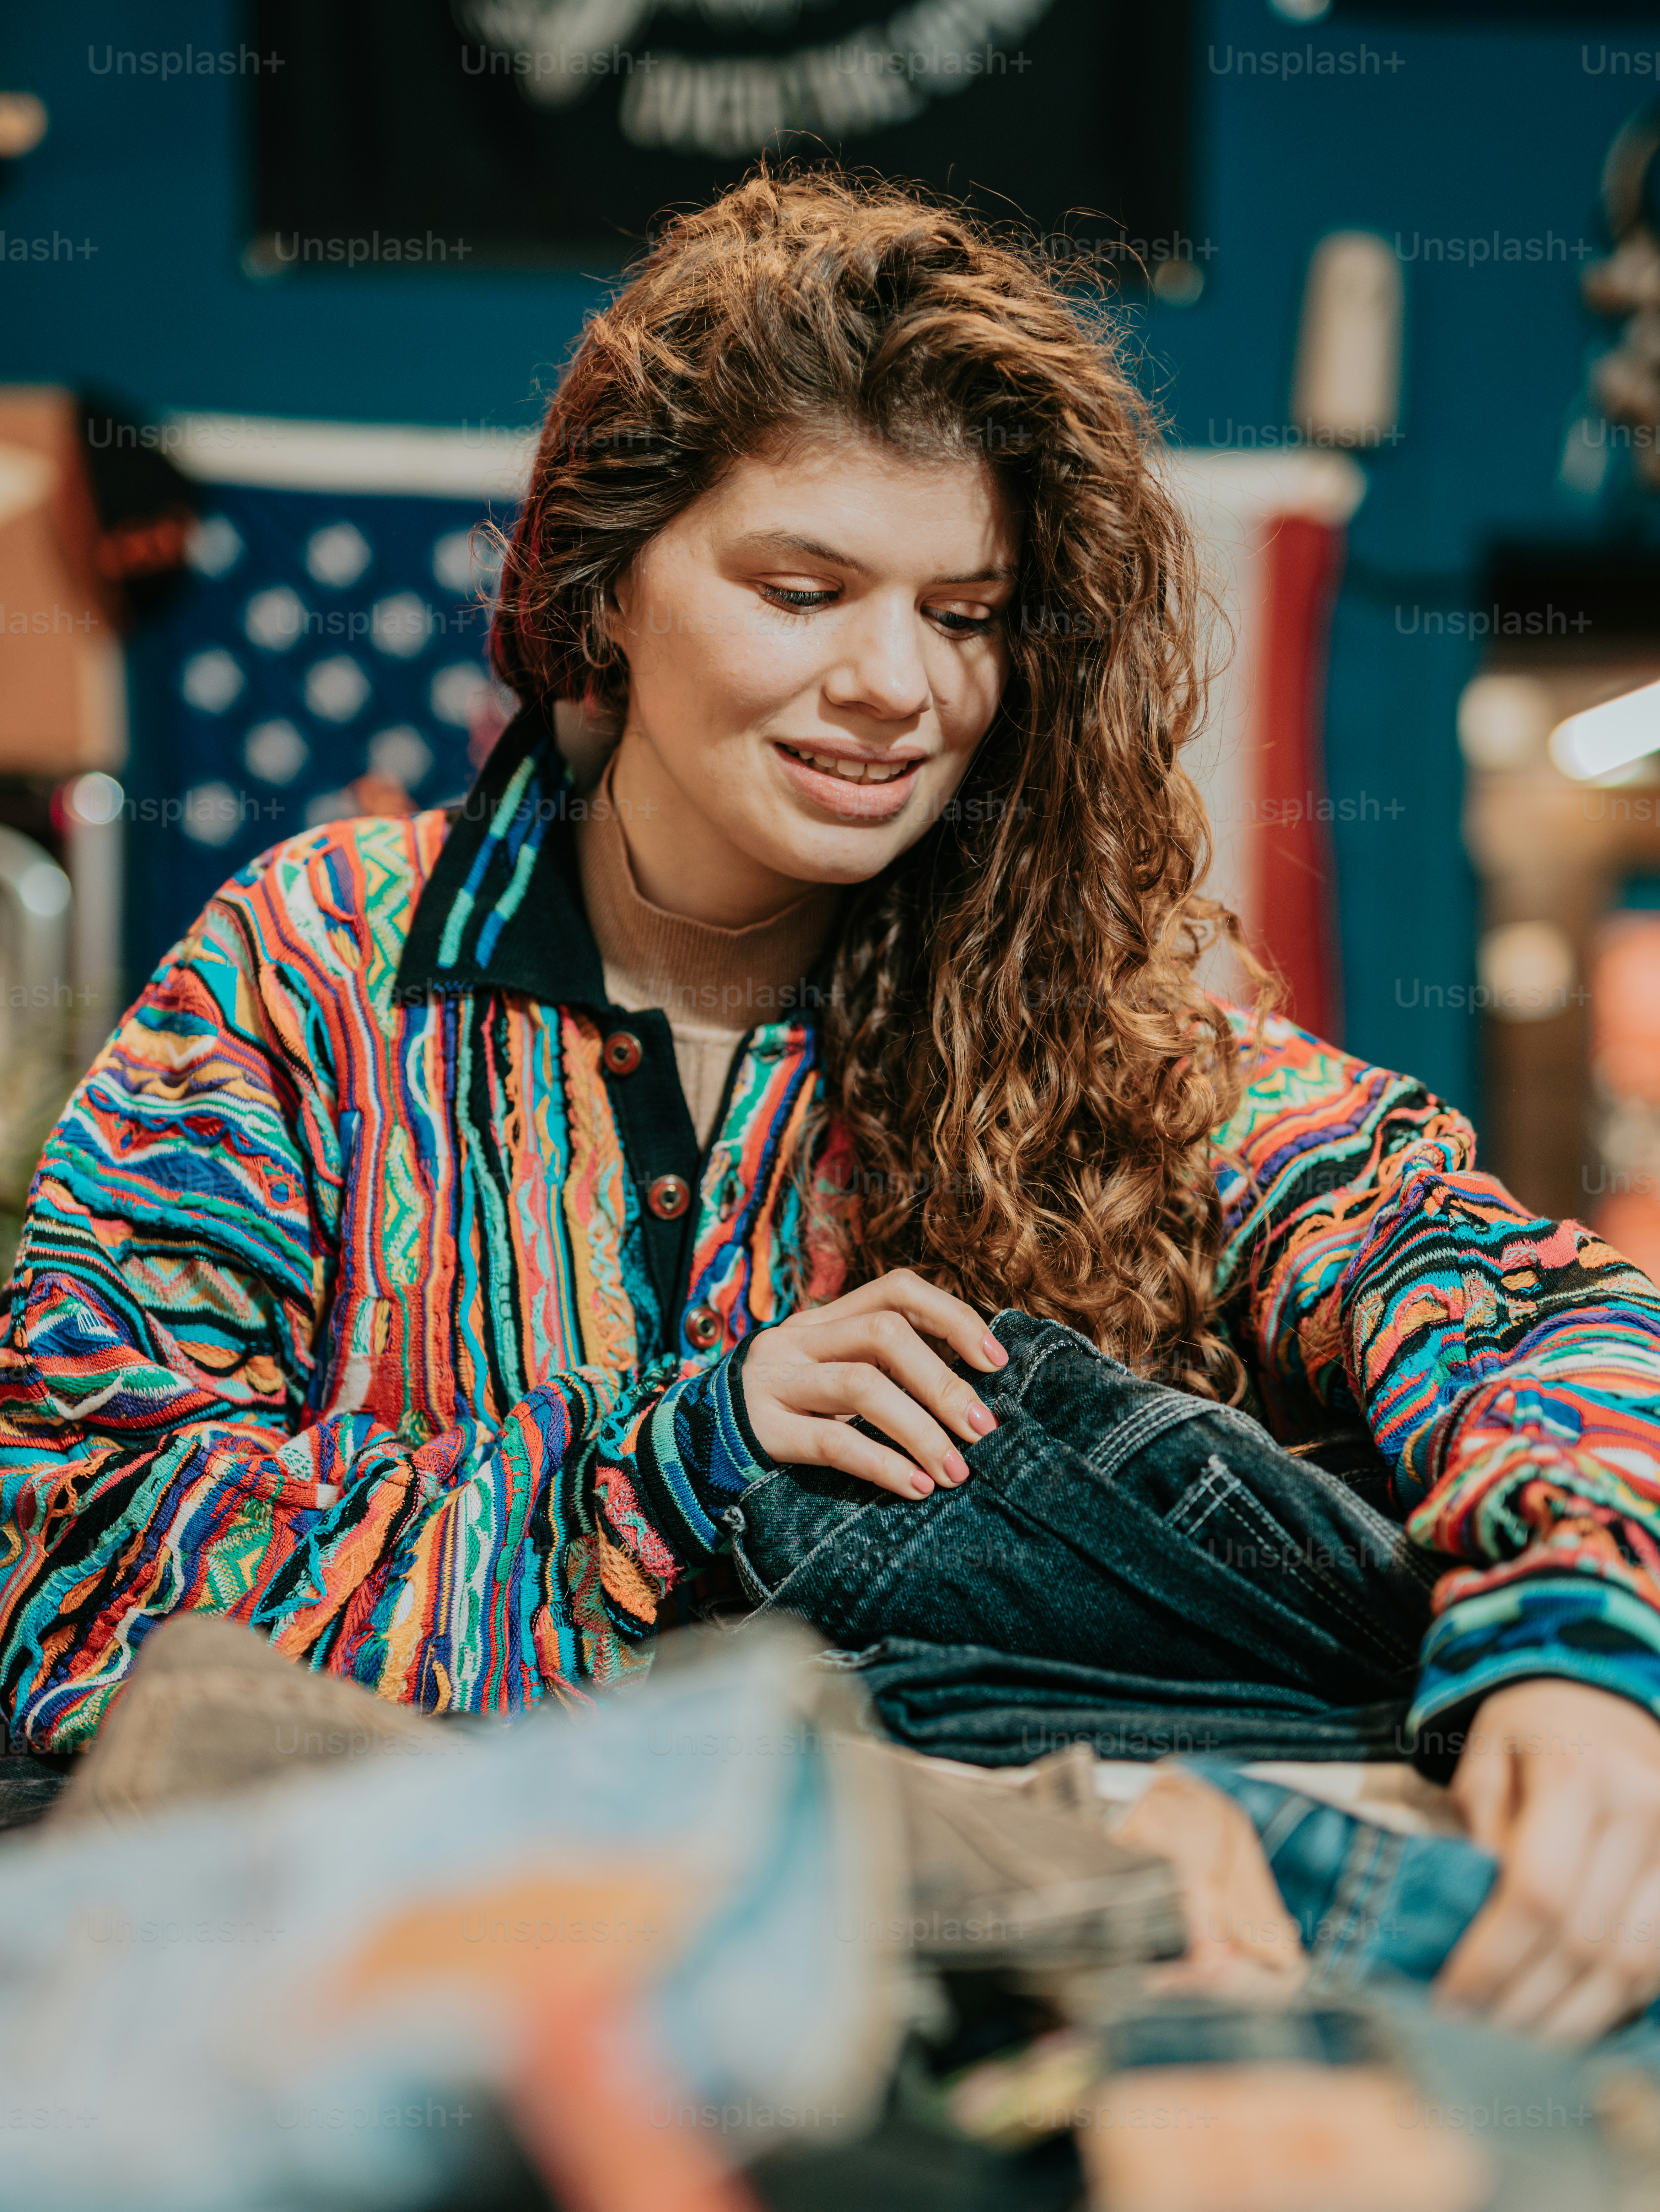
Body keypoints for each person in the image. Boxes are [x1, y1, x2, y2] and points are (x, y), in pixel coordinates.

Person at [1, 169, 1658, 2042]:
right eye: (804, 590)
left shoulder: (1094, 1010)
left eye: (967, 613)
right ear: (606, 587)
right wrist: (670, 1462)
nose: (894, 685)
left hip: (967, 2050)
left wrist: (1578, 1641)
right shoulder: (317, 972)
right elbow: (69, 1557)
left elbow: (1536, 1309)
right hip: (413, 2046)